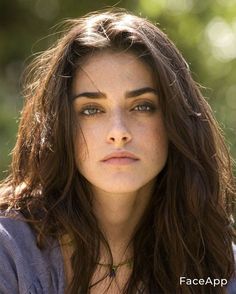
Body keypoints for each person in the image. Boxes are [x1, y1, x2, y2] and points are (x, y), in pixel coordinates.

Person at [0, 8, 235, 294]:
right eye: (91, 110)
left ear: (177, 119)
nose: (118, 131)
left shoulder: (214, 264)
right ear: (61, 126)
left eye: (142, 106)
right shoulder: (9, 250)